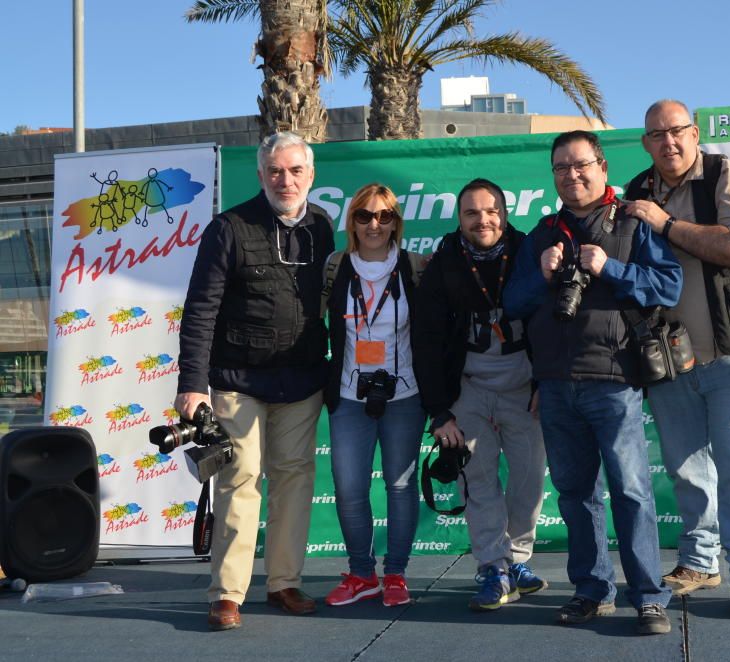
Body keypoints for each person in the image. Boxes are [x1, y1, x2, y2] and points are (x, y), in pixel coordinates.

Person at [505, 131, 682, 636]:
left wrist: (612, 268)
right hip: (557, 384)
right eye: (561, 167)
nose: (571, 175)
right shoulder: (542, 233)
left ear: (602, 167)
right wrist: (540, 275)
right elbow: (513, 304)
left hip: (615, 381)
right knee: (575, 494)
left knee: (630, 491)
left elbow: (669, 286)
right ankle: (591, 589)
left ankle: (648, 597)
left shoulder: (632, 221)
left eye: (580, 164)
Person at [175, 131, 335, 631]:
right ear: (260, 174)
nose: (284, 180)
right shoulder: (228, 227)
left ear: (310, 175)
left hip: (301, 381)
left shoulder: (323, 227)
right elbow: (201, 308)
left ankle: (284, 582)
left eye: (294, 171)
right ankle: (227, 593)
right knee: (239, 482)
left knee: (294, 481)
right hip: (235, 381)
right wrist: (192, 383)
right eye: (275, 171)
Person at [622, 99, 730, 619]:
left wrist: (665, 226)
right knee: (686, 469)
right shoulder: (637, 191)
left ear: (695, 132)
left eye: (678, 131)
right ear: (645, 143)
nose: (669, 142)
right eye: (657, 135)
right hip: (668, 359)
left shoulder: (727, 176)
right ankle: (699, 561)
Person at [412, 178, 548, 612]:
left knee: (529, 481)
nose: (482, 220)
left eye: (490, 211)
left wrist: (546, 383)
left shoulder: (529, 251)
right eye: (472, 213)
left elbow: (553, 322)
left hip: (524, 388)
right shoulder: (443, 262)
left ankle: (518, 560)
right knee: (479, 480)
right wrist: (439, 410)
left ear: (505, 213)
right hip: (467, 388)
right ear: (459, 218)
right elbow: (427, 340)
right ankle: (493, 565)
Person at [321, 183, 426, 609]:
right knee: (348, 488)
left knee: (401, 487)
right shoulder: (335, 266)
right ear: (353, 222)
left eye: (384, 216)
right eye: (364, 216)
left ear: (396, 222)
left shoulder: (416, 268)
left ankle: (396, 573)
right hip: (349, 395)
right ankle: (362, 573)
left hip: (405, 395)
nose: (374, 224)